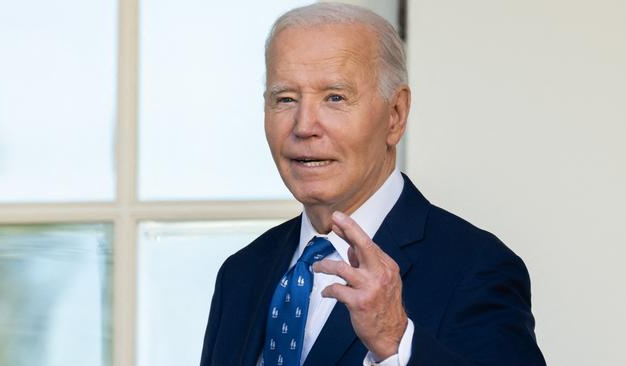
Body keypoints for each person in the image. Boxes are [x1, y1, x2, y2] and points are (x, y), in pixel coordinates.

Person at [201, 3, 546, 366]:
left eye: (335, 97)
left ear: (395, 115)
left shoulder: (476, 268)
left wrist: (395, 342)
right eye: (285, 98)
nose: (304, 126)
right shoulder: (241, 274)